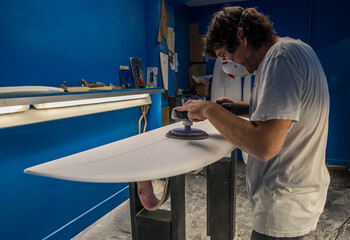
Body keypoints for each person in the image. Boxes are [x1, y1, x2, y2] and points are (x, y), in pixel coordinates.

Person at [176, 6, 330, 240]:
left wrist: (210, 109)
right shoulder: (297, 49)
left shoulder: (280, 59)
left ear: (240, 36)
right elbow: (287, 113)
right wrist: (234, 109)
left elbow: (264, 145)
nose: (228, 64)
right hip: (299, 195)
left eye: (225, 56)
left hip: (283, 202)